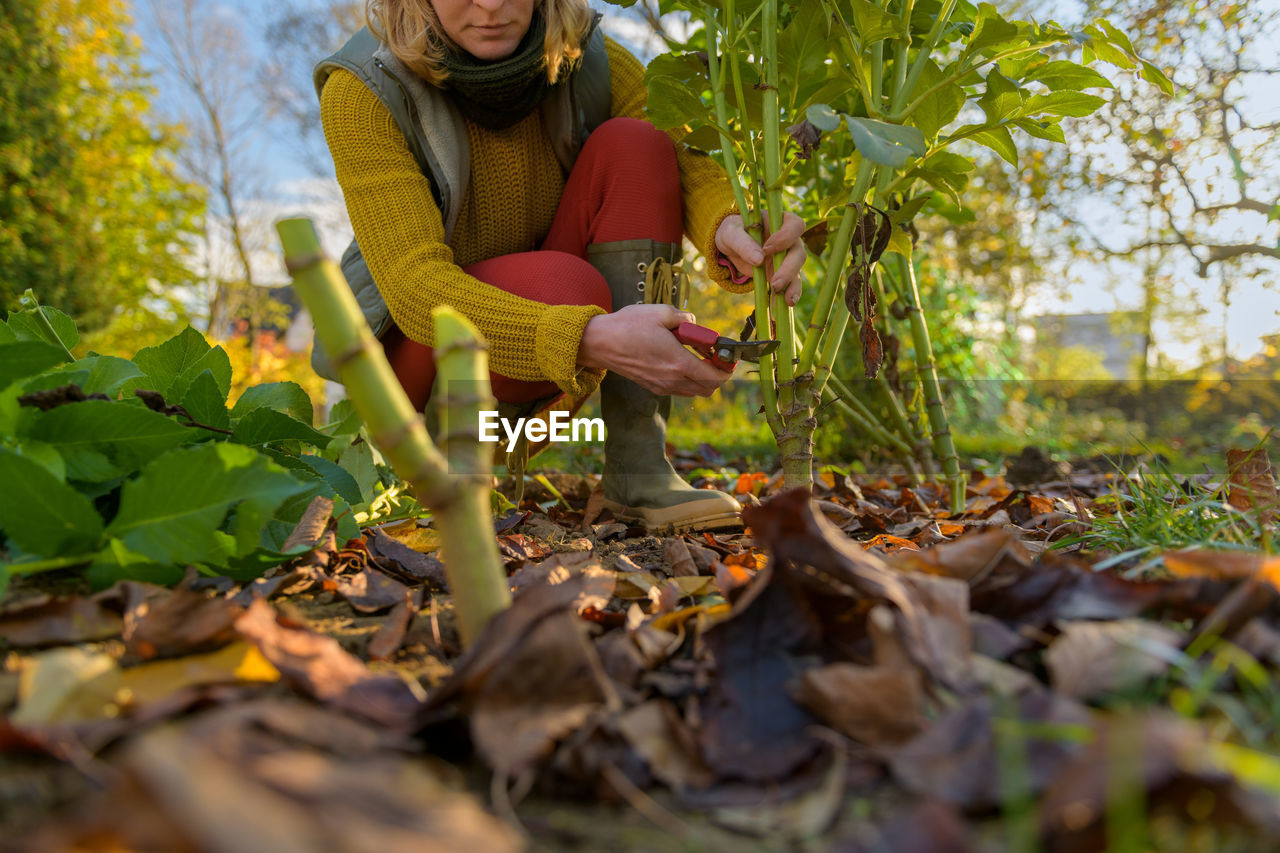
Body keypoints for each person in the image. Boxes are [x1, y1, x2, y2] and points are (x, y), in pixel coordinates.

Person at [315, 0, 808, 530]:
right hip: (420, 362)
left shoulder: (590, 58)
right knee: (564, 287)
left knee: (637, 142)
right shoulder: (363, 89)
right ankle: (437, 468)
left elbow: (683, 157)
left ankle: (638, 470)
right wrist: (587, 337)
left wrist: (728, 226)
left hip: (543, 361)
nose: (490, 5)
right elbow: (415, 287)